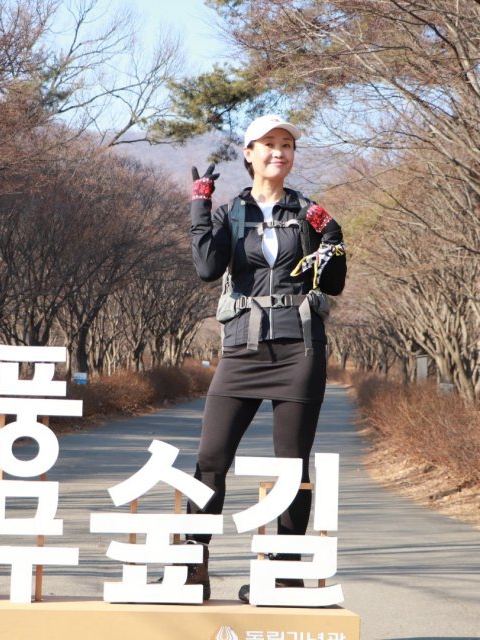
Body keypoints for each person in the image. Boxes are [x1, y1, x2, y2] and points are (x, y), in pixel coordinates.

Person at [185, 114, 347, 603]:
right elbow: (207, 268)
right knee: (211, 457)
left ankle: (284, 574)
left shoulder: (309, 212)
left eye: (287, 144)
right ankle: (191, 567)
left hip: (300, 348)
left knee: (292, 465)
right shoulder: (231, 212)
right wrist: (200, 206)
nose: (279, 152)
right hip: (242, 348)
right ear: (249, 153)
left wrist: (333, 237)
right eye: (269, 143)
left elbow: (333, 283)